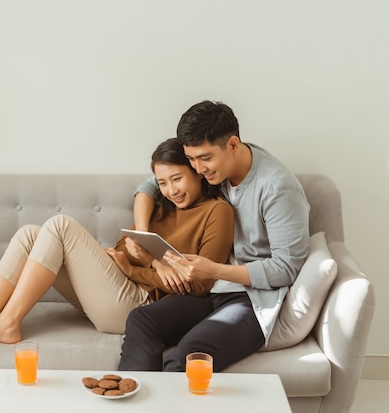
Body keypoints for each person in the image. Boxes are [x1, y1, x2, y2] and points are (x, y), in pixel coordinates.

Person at [0, 138, 234, 349]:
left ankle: (8, 322)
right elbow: (124, 246)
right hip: (114, 292)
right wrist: (147, 260)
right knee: (30, 233)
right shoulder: (161, 207)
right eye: (162, 183)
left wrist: (133, 269)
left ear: (197, 173)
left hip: (142, 307)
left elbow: (202, 285)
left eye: (177, 179)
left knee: (59, 225)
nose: (171, 190)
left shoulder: (216, 212)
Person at [118, 100, 310, 372]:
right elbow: (149, 185)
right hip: (212, 289)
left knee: (187, 360)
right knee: (142, 321)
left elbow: (286, 268)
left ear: (233, 144)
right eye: (192, 160)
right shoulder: (213, 170)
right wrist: (142, 234)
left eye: (204, 159)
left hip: (251, 299)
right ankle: (131, 398)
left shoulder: (278, 188)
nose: (197, 169)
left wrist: (214, 269)